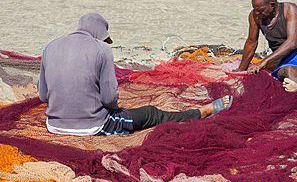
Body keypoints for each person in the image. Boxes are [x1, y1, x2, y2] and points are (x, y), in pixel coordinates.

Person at [38, 12, 232, 136]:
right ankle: (200, 112)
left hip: (53, 125)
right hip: (93, 126)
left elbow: (44, 96)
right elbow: (108, 99)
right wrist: (111, 107)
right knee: (151, 113)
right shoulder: (102, 50)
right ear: (99, 34)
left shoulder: (50, 47)